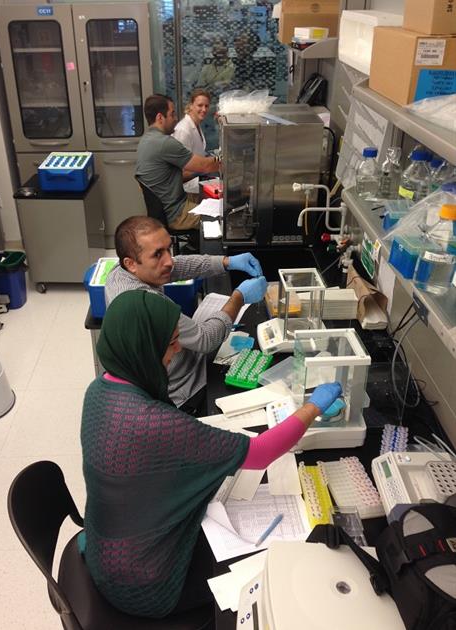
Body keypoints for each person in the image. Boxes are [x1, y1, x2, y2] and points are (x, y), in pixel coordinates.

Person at [80, 290, 343, 618]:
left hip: (106, 550)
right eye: (171, 342)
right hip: (144, 583)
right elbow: (259, 453)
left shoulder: (99, 390)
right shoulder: (152, 423)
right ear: (143, 348)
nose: (178, 349)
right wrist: (313, 406)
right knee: (271, 577)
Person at [105, 215, 267, 413]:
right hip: (182, 389)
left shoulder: (121, 271)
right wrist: (239, 297)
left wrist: (226, 262)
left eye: (168, 249)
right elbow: (206, 339)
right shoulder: (147, 305)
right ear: (131, 263)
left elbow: (178, 266)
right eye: (158, 254)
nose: (168, 261)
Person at [136, 93, 219, 231]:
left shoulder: (146, 140)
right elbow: (206, 166)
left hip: (169, 207)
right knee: (222, 216)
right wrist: (227, 160)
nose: (175, 119)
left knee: (211, 199)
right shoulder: (164, 143)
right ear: (160, 117)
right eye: (172, 114)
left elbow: (175, 176)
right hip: (177, 213)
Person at [172, 88, 211, 195]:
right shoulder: (183, 130)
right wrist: (207, 167)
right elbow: (181, 171)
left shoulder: (195, 125)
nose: (204, 109)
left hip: (196, 181)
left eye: (206, 106)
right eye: (200, 105)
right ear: (191, 106)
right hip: (187, 189)